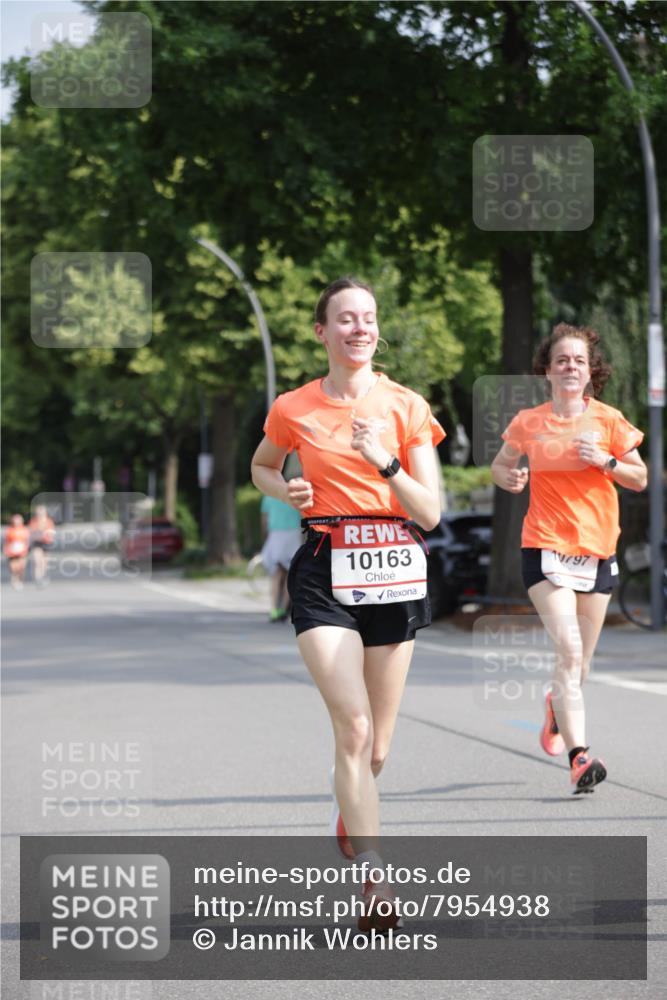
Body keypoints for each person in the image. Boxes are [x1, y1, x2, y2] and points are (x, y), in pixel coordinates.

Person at [251, 277, 444, 930]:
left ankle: (351, 805)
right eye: (345, 318)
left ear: (376, 329)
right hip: (323, 567)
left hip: (394, 570)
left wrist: (385, 462)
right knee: (354, 729)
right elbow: (262, 466)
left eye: (367, 318)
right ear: (321, 332)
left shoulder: (407, 405)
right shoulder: (293, 406)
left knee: (379, 747)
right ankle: (373, 881)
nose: (358, 328)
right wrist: (287, 489)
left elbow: (432, 512)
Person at [491, 323, 647, 794]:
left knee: (580, 666)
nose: (571, 367)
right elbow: (501, 464)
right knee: (570, 650)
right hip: (544, 547)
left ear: (590, 370)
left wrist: (606, 461)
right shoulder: (529, 422)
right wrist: (509, 479)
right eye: (562, 360)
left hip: (596, 551)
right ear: (548, 369)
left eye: (579, 360)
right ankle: (581, 758)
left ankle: (555, 708)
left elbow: (639, 478)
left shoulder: (609, 420)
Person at [260, 492, 303, 621]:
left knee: (276, 574)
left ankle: (273, 608)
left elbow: (264, 520)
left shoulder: (269, 495)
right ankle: (283, 608)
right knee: (290, 573)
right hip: (294, 534)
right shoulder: (297, 496)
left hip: (276, 534)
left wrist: (265, 536)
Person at [29, 504, 56, 587]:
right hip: (37, 543)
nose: (40, 514)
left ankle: (43, 576)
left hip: (46, 543)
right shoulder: (34, 521)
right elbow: (31, 532)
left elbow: (52, 532)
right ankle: (38, 578)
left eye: (42, 512)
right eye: (38, 512)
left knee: (44, 562)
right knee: (37, 561)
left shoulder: (49, 521)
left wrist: (47, 534)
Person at [4, 514, 30, 590]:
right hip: (12, 551)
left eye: (18, 521)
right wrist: (6, 549)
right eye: (15, 521)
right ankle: (14, 580)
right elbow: (6, 541)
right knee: (14, 568)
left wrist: (27, 548)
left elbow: (27, 540)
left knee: (21, 567)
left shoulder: (24, 530)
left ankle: (20, 580)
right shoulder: (10, 530)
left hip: (22, 551)